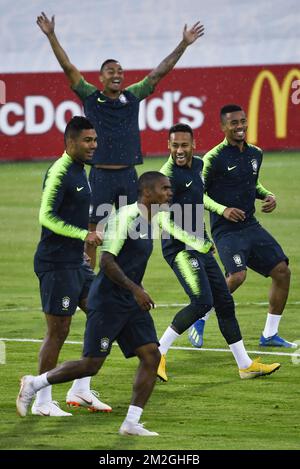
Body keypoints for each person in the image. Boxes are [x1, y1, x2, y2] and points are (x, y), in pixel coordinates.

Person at [36, 12, 204, 269]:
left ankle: (128, 282)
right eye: (110, 71)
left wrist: (183, 44)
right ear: (101, 77)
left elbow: (158, 74)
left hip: (128, 176)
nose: (117, 74)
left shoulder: (132, 96)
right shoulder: (91, 97)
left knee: (135, 230)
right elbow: (68, 68)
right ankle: (87, 282)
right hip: (100, 177)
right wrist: (51, 35)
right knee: (93, 230)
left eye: (120, 71)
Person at [17, 171, 174, 436]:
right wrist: (136, 289)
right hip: (108, 301)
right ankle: (35, 383)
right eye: (165, 188)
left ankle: (131, 423)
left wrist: (138, 288)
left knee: (151, 356)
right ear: (147, 193)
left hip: (130, 301)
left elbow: (131, 262)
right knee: (91, 364)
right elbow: (107, 261)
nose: (169, 193)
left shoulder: (151, 220)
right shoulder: (126, 217)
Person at [156, 123, 281, 382]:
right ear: (168, 146)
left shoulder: (200, 166)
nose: (180, 150)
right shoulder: (166, 176)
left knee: (223, 301)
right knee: (202, 301)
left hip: (200, 244)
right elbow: (164, 222)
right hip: (179, 248)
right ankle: (157, 354)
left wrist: (221, 209)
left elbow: (202, 197)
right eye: (175, 145)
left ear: (193, 144)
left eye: (184, 145)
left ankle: (245, 365)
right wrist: (196, 241)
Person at [188, 104, 296, 349]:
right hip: (225, 230)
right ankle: (201, 315)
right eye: (234, 123)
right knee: (237, 276)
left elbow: (251, 184)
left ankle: (269, 334)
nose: (240, 127)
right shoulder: (213, 158)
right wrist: (222, 209)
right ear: (223, 127)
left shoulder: (255, 153)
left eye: (242, 121)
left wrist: (268, 195)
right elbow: (198, 194)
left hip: (251, 225)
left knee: (282, 272)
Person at [32, 116, 111, 416]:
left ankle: (80, 389)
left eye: (94, 140)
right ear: (70, 142)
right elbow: (46, 216)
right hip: (55, 264)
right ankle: (41, 400)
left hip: (75, 263)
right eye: (87, 141)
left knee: (103, 315)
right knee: (58, 331)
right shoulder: (60, 171)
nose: (94, 145)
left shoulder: (81, 171)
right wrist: (84, 235)